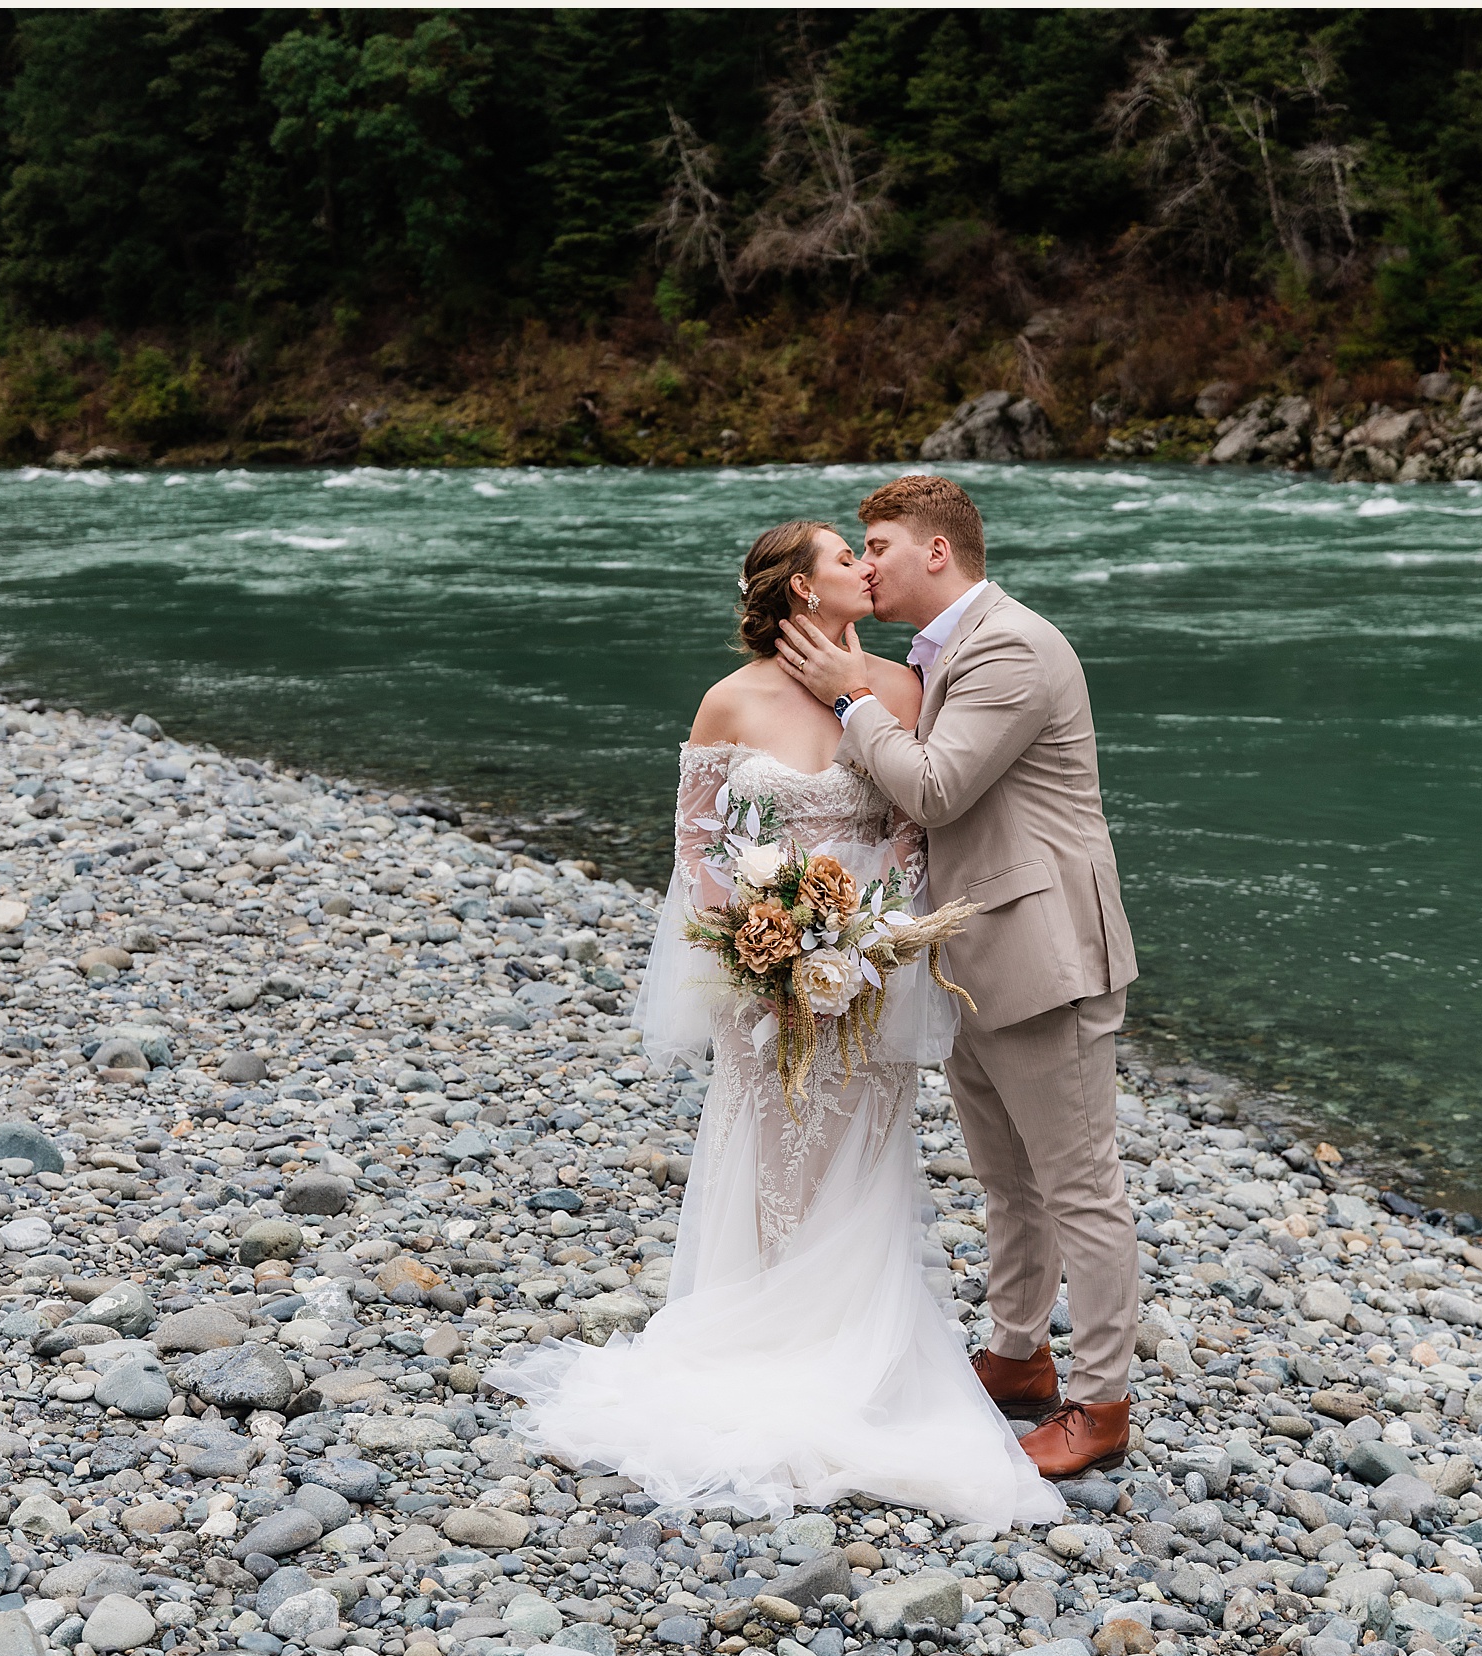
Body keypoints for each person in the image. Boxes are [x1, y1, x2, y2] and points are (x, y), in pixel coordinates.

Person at [487, 518, 1065, 1531]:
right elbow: (698, 845)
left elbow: (915, 839)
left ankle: (859, 1354)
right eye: (846, 557)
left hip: (866, 968)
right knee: (768, 1152)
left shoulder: (895, 690)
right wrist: (762, 946)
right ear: (801, 589)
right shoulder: (731, 699)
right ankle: (752, 1341)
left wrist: (862, 941)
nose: (865, 568)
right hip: (759, 978)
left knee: (861, 1151)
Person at [776, 475, 1140, 1478]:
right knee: (1006, 1181)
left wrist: (846, 696)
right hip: (972, 954)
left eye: (879, 542)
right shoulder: (937, 656)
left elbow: (934, 786)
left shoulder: (1012, 646)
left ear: (938, 551)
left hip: (1043, 954)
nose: (865, 562)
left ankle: (1102, 1405)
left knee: (1080, 1188)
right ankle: (1019, 1358)